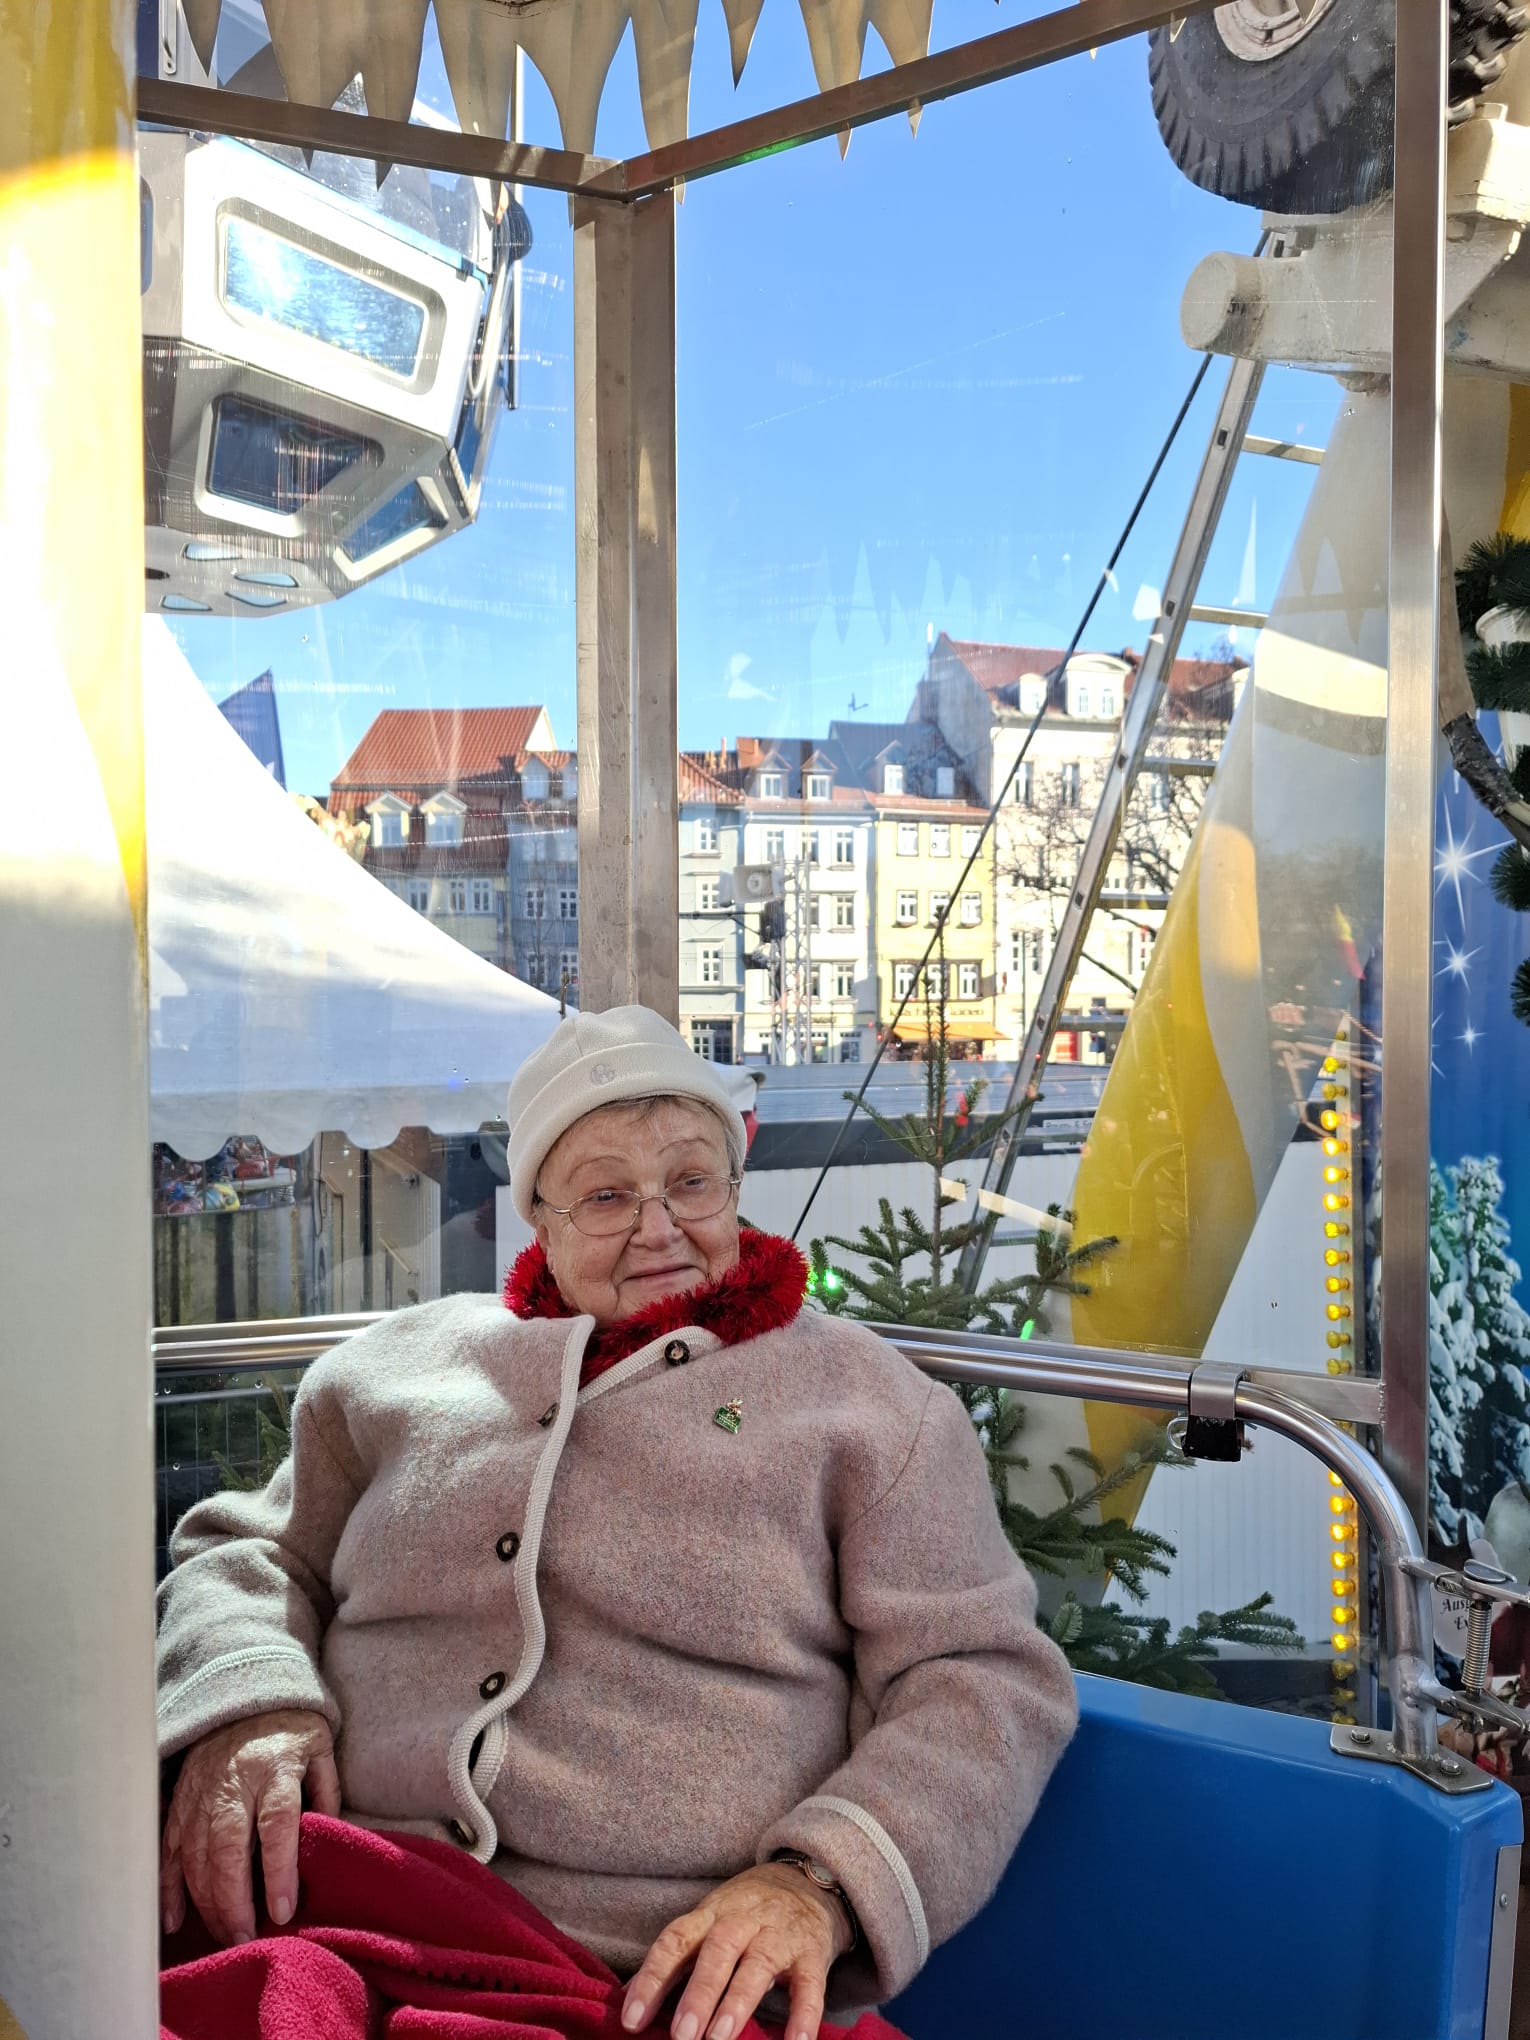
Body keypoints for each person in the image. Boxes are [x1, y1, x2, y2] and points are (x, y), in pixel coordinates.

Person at [157, 1006, 1076, 2040]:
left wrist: (819, 1877)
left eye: (692, 1182)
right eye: (605, 1195)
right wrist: (253, 1705)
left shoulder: (873, 1410)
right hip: (337, 1902)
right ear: (540, 1222)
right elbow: (249, 1549)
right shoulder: (391, 1371)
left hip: (651, 1971)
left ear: (735, 1189)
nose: (658, 1226)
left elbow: (984, 1676)